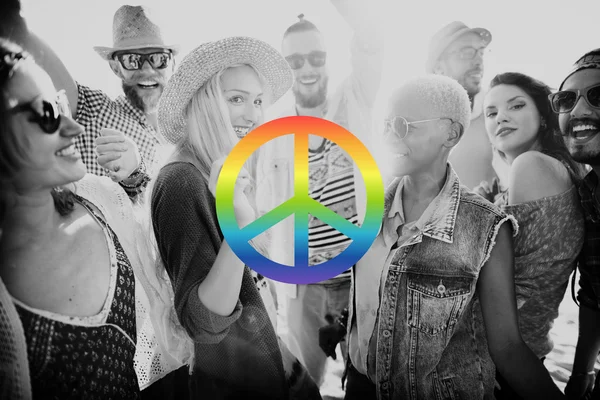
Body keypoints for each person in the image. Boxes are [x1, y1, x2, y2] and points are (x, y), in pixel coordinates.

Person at [340, 74, 565, 399]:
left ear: (451, 133)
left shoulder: (486, 227)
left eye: (404, 126)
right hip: (361, 387)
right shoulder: (367, 212)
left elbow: (507, 347)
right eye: (386, 125)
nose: (390, 137)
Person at [0, 38, 179, 399]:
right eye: (47, 114)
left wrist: (135, 175)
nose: (75, 128)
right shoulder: (99, 106)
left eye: (61, 105)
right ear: (115, 65)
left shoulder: (100, 197)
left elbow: (163, 263)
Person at [151, 36, 321, 399]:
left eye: (257, 101)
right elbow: (204, 320)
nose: (253, 114)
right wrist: (240, 229)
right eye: (236, 99)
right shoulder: (182, 180)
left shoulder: (220, 167)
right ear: (205, 102)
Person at [256, 0, 385, 388]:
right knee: (299, 386)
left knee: (369, 382)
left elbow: (372, 41)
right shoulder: (272, 130)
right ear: (284, 68)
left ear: (330, 59)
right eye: (295, 62)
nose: (307, 69)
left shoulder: (353, 100)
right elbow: (263, 212)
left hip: (360, 273)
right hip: (302, 282)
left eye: (316, 57)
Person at [479, 72, 586, 399]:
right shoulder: (557, 168)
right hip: (526, 348)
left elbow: (492, 274)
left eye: (516, 106)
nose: (502, 117)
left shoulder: (530, 165)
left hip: (502, 359)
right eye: (492, 112)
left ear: (543, 117)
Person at [2, 3, 177, 182]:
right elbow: (21, 34)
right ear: (116, 68)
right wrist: (11, 17)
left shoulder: (181, 137)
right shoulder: (96, 111)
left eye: (158, 58)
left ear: (172, 63)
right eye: (132, 60)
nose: (147, 70)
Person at [551, 48, 600, 400]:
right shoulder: (586, 192)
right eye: (567, 99)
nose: (579, 111)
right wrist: (581, 373)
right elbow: (594, 294)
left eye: (598, 96)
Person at [426, 21, 507, 189]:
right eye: (467, 52)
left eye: (481, 53)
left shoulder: (497, 112)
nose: (478, 61)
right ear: (439, 67)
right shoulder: (414, 123)